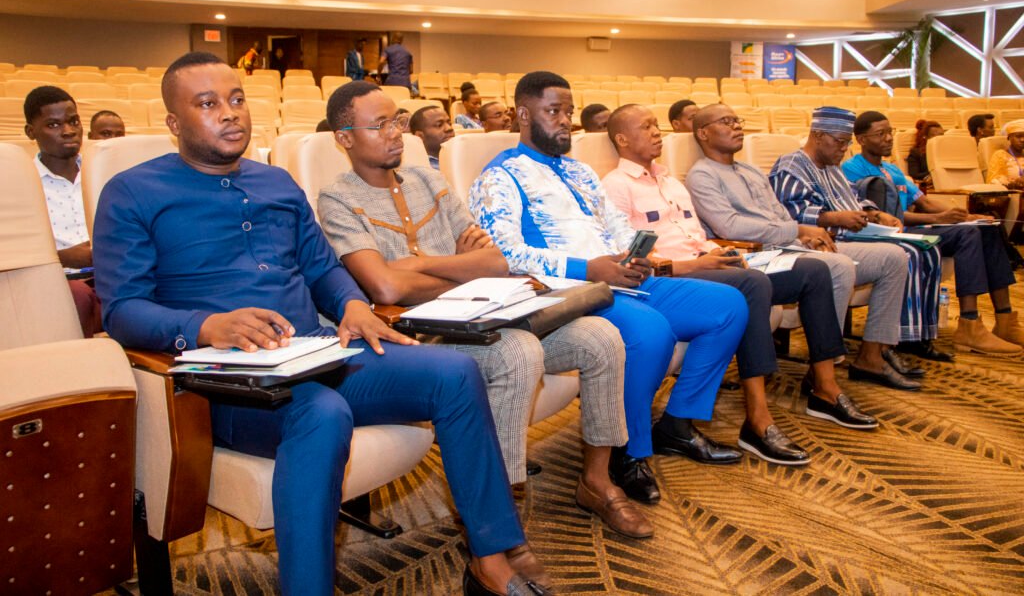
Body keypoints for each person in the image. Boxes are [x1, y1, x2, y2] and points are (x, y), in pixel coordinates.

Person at [92, 53, 550, 596]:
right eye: (208, 104)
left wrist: (352, 304)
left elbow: (322, 269)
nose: (230, 113)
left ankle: (490, 560)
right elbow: (121, 310)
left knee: (454, 374)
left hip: (315, 351)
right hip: (228, 380)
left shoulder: (277, 183)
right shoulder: (132, 192)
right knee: (322, 411)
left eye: (236, 99)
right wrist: (208, 325)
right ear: (174, 122)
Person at [318, 81, 651, 540]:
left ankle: (597, 480)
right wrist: (459, 268)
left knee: (601, 337)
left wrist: (419, 264)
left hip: (483, 318)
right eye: (380, 125)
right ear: (344, 138)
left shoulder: (428, 180)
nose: (396, 133)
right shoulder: (336, 198)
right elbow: (385, 286)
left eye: (397, 121)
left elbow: (495, 261)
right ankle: (500, 508)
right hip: (417, 337)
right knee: (517, 352)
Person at [470, 71, 749, 506]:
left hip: (619, 279)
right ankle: (628, 449)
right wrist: (589, 268)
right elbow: (504, 254)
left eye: (569, 111)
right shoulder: (500, 176)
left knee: (729, 305)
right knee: (651, 331)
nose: (565, 120)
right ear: (523, 115)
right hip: (568, 292)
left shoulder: (581, 171)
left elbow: (618, 227)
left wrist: (635, 255)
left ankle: (676, 424)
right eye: (553, 111)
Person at [602, 104, 877, 464]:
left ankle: (825, 387)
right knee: (751, 285)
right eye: (646, 127)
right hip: (674, 276)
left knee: (813, 272)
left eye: (657, 125)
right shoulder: (615, 186)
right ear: (622, 139)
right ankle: (757, 419)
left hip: (711, 261)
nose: (657, 132)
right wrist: (697, 263)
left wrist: (720, 252)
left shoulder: (671, 182)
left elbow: (698, 236)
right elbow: (628, 258)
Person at [685, 104, 918, 391]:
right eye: (726, 121)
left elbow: (781, 213)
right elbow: (730, 227)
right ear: (703, 133)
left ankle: (871, 355)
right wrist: (797, 231)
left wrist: (801, 236)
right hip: (754, 254)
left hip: (787, 245)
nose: (737, 126)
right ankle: (824, 368)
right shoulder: (703, 175)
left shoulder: (751, 171)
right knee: (837, 266)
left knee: (894, 257)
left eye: (737, 120)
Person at [771, 106, 949, 368]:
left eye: (847, 143)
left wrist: (876, 214)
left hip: (852, 237)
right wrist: (836, 218)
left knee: (915, 251)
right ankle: (831, 357)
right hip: (817, 243)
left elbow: (855, 199)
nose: (844, 149)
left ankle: (877, 350)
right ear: (818, 136)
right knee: (902, 254)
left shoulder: (832, 167)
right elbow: (789, 215)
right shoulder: (791, 166)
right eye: (839, 142)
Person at [845, 111, 1023, 354]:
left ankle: (1005, 320)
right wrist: (938, 219)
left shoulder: (892, 170)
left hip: (916, 227)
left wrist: (966, 216)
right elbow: (887, 216)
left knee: (986, 228)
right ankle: (970, 324)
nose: (888, 138)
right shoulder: (852, 169)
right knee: (968, 235)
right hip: (893, 233)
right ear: (862, 139)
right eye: (880, 134)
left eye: (890, 132)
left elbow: (925, 202)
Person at [24, 85, 102, 337]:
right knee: (78, 297)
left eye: (73, 121)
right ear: (30, 132)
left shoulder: (101, 171)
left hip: (109, 273)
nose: (68, 131)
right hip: (57, 281)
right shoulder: (21, 181)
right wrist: (62, 258)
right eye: (53, 125)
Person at [409, 105, 454, 170]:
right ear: (419, 136)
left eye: (449, 123)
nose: (449, 128)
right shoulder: (418, 169)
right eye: (439, 125)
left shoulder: (463, 155)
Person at [986, 119, 1024, 188]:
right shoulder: (1000, 155)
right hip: (1011, 192)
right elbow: (993, 181)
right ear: (1009, 137)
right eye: (1018, 136)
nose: (1022, 140)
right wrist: (1013, 184)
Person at [906, 119, 943, 187]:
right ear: (925, 137)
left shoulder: (947, 151)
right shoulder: (916, 153)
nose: (940, 139)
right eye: (936, 137)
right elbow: (914, 174)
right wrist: (933, 174)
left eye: (942, 136)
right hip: (929, 186)